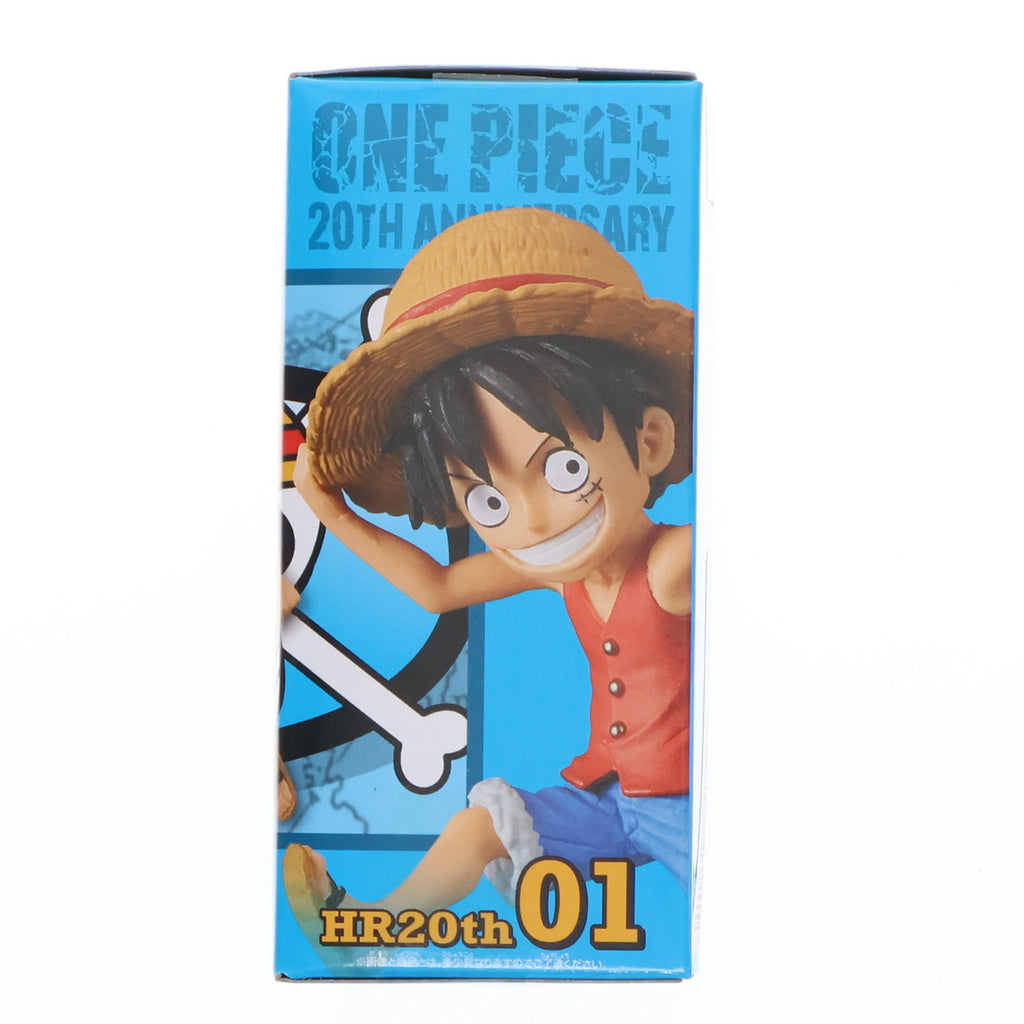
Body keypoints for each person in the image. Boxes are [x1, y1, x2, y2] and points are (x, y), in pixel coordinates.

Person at [282, 208, 695, 940]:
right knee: (479, 827)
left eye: (564, 469)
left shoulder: (672, 566)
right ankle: (376, 930)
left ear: (652, 440)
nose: (530, 521)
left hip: (696, 811)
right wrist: (334, 515)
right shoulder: (563, 573)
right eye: (488, 500)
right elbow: (438, 590)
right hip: (606, 803)